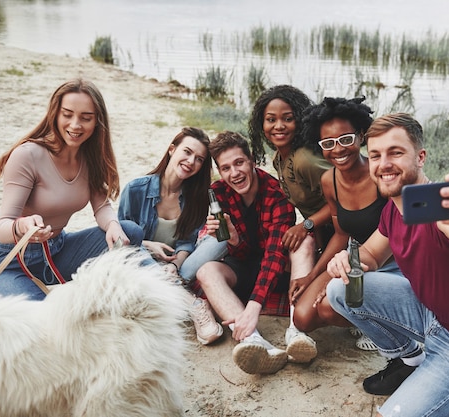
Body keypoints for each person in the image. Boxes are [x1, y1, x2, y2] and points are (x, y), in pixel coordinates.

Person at [326, 113, 449, 417]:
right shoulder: (396, 208)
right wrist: (347, 259)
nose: (383, 164)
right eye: (376, 155)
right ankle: (410, 361)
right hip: (430, 313)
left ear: (420, 157)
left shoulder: (437, 207)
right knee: (340, 290)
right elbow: (371, 255)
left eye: (396, 152)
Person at [0, 78, 144, 301]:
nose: (75, 125)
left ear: (97, 122)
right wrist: (22, 225)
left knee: (129, 232)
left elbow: (102, 205)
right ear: (55, 113)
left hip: (56, 252)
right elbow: (1, 228)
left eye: (86, 118)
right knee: (44, 319)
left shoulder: (91, 157)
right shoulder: (28, 155)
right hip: (9, 261)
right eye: (67, 114)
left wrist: (112, 225)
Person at [290, 96, 403, 351]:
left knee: (329, 309)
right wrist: (311, 276)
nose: (338, 150)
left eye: (345, 139)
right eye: (328, 143)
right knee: (303, 316)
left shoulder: (381, 177)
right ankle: (363, 313)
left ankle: (380, 323)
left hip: (388, 262)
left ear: (361, 136)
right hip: (350, 258)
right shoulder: (329, 180)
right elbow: (341, 234)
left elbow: (398, 236)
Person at [195, 131, 313, 374]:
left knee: (306, 242)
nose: (234, 173)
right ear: (219, 171)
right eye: (226, 168)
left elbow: (274, 255)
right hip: (246, 268)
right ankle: (253, 340)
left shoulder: (276, 193)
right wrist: (235, 240)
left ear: (252, 160)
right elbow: (240, 255)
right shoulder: (219, 193)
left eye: (239, 163)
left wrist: (254, 306)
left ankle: (296, 329)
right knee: (206, 271)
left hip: (279, 270)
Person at [118, 127, 228, 345]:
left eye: (198, 159)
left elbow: (187, 242)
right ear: (171, 150)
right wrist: (149, 246)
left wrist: (174, 267)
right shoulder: (135, 189)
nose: (190, 161)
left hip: (177, 268)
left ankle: (169, 284)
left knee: (221, 239)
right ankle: (194, 304)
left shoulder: (196, 198)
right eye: (186, 152)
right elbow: (119, 237)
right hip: (139, 262)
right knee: (129, 248)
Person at [248, 84, 333, 363]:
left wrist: (306, 225)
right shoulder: (279, 158)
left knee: (300, 243)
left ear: (300, 119)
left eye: (287, 118)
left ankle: (299, 329)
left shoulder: (305, 159)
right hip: (325, 232)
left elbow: (347, 200)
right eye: (271, 119)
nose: (279, 126)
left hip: (348, 233)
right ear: (261, 124)